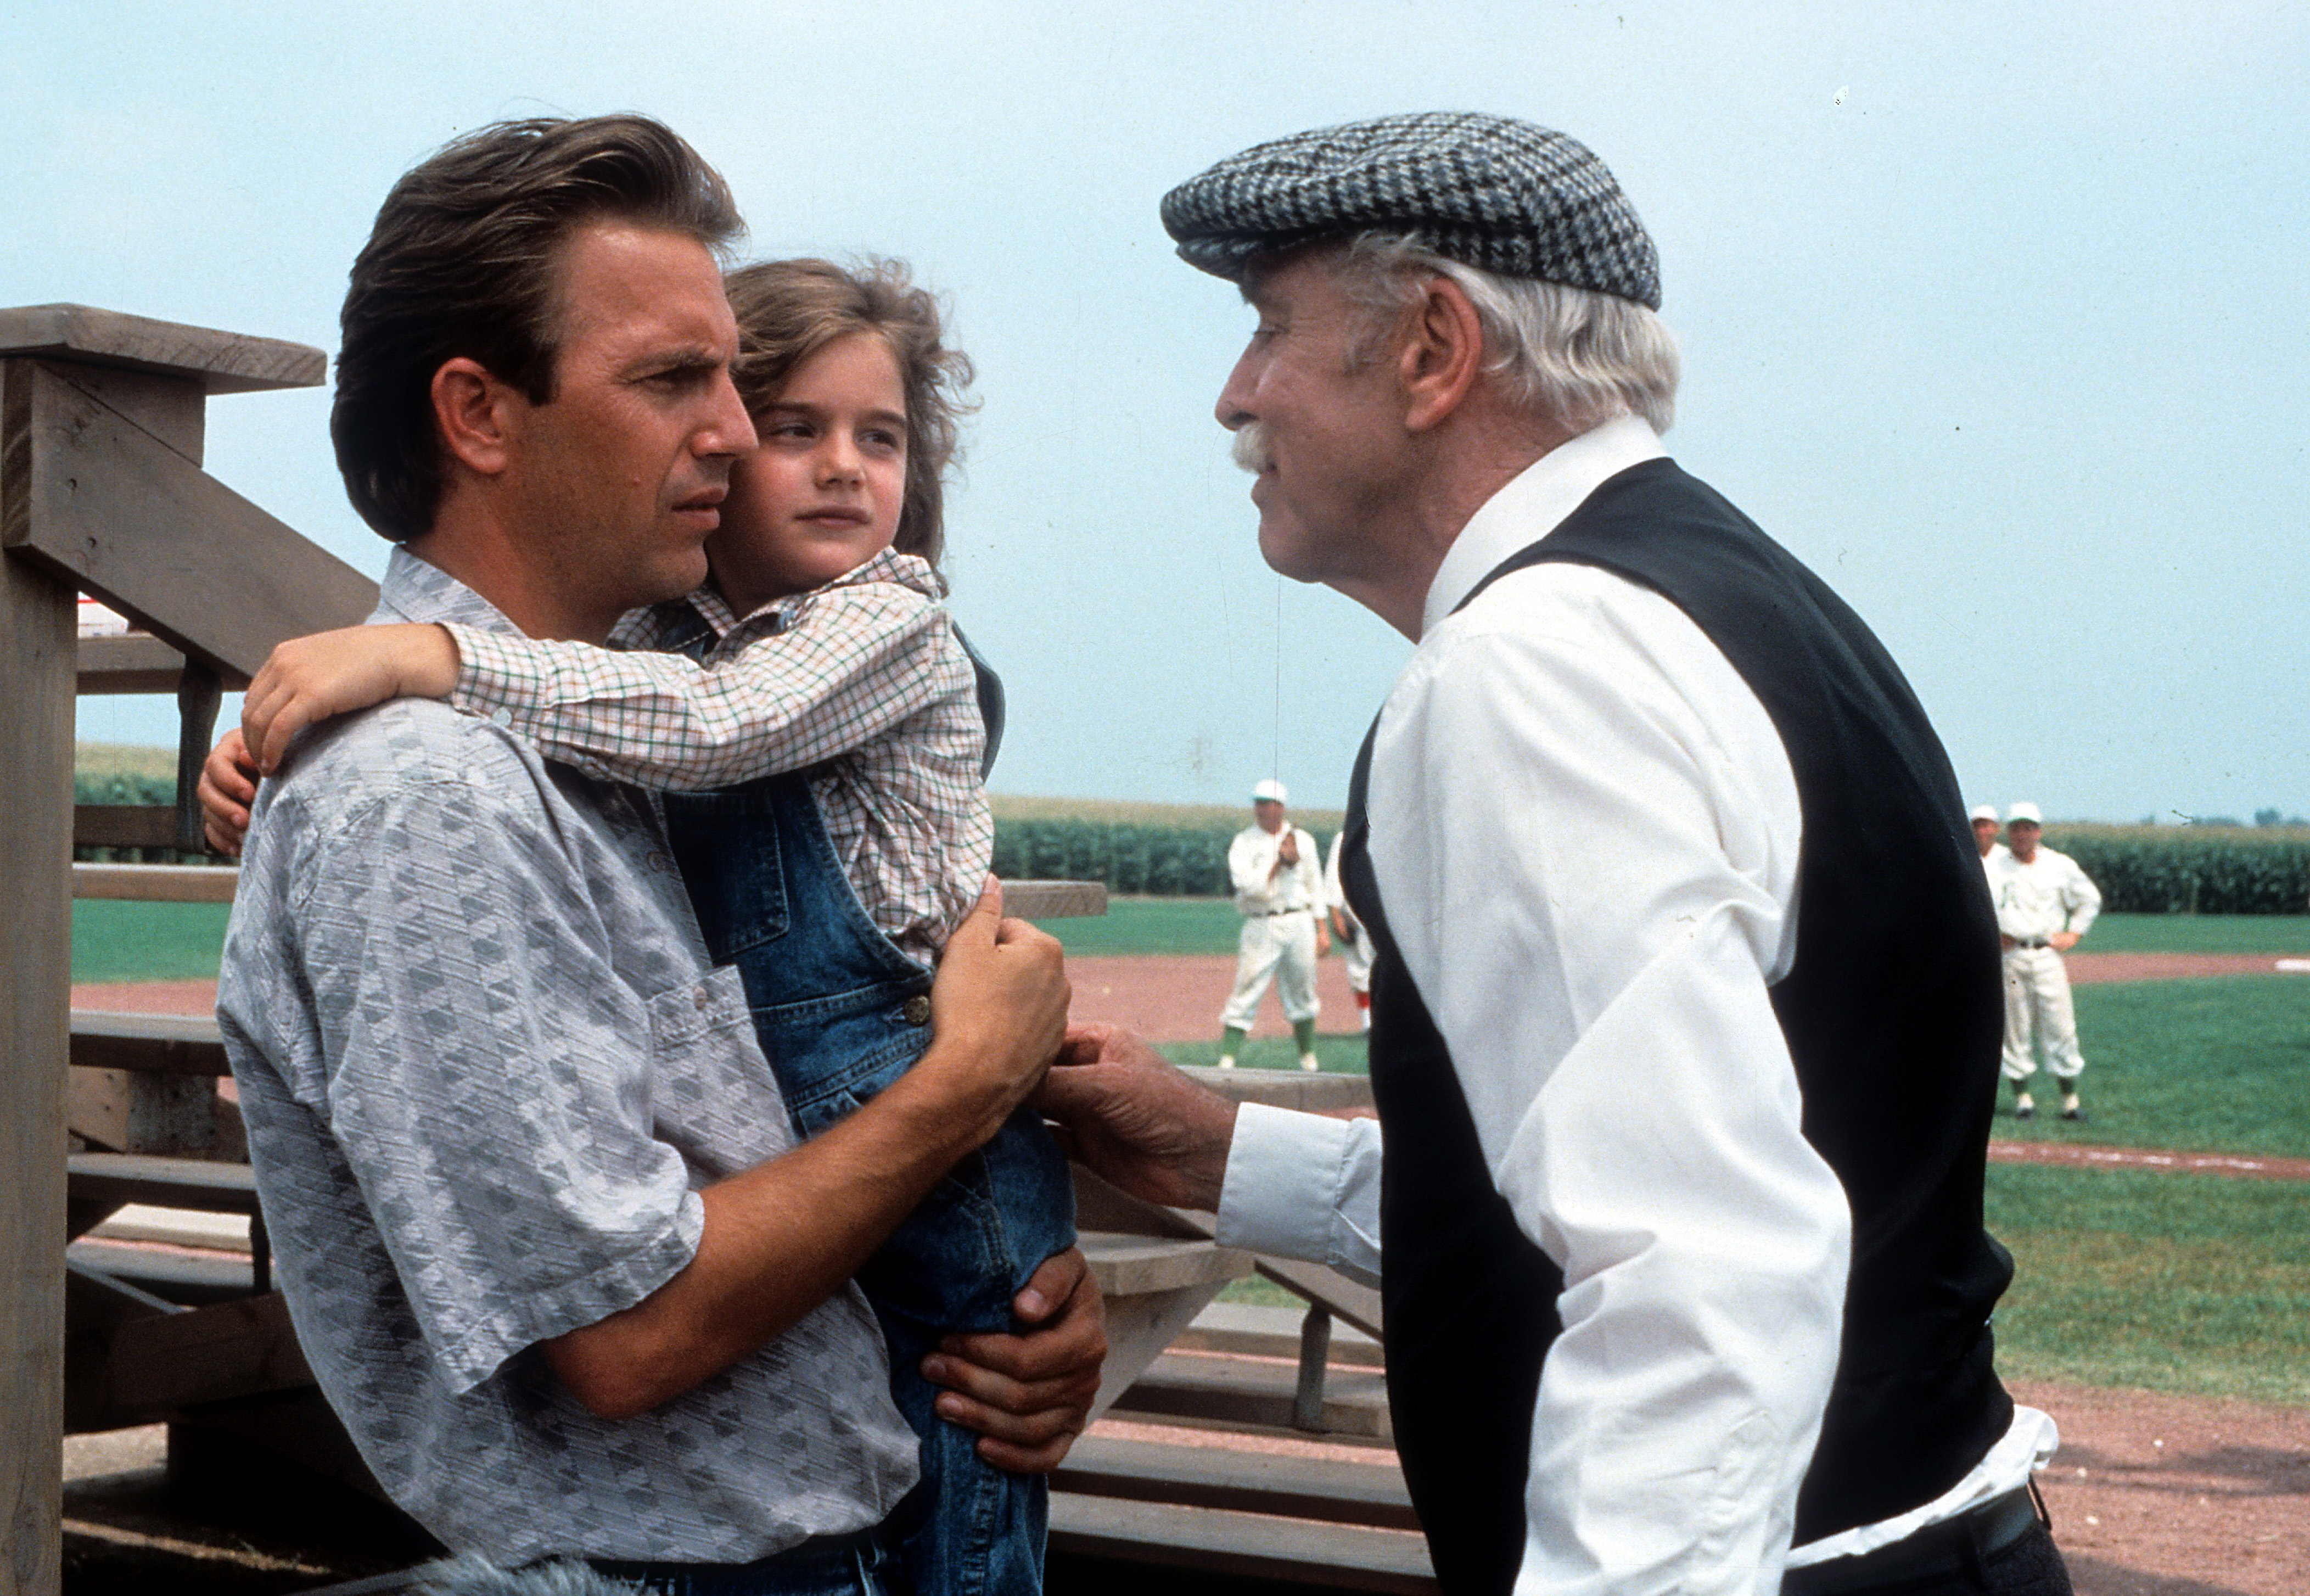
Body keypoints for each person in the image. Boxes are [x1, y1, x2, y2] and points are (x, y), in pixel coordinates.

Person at [1042, 112, 2068, 1595]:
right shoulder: (1721, 593)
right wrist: (1222, 1154)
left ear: (1434, 350)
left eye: (1269, 328)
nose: (1233, 395)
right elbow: (1624, 1166)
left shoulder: (1529, 667)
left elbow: (1692, 1286)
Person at [202, 116, 1101, 1592]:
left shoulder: (590, 715)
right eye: (678, 380)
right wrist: (960, 1094)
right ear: (481, 417)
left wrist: (1001, 1313)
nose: (741, 433)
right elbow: (630, 1334)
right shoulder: (429, 795)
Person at [1991, 803, 2102, 1122]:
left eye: (2028, 828)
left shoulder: (2059, 865)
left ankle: (2069, 1100)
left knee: (2060, 1026)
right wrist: (1993, 934)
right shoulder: (1994, 867)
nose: (2022, 834)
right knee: (2015, 1027)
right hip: (2011, 959)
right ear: (2008, 831)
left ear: (2038, 831)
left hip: (2047, 956)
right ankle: (2023, 1100)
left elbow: (2089, 899)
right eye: (2016, 828)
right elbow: (1977, 905)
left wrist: (2075, 933)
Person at [1216, 779, 1329, 1071]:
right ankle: (1227, 1060)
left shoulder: (1303, 840)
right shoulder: (1244, 842)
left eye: (1268, 803)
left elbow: (1315, 885)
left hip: (1298, 919)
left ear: (1281, 807)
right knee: (1247, 987)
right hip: (1261, 922)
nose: (1261, 809)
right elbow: (1247, 887)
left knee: (1303, 988)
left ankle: (1308, 1059)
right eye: (1258, 803)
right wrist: (1278, 865)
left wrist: (1323, 929)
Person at [1322, 828, 1373, 1032]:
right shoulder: (1346, 837)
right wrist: (1335, 914)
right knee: (1360, 972)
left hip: (1388, 915)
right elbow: (1334, 876)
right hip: (1356, 915)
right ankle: (1368, 1024)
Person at [1973, 802, 2009, 871]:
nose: (1981, 831)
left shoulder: (2007, 855)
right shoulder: (1965, 856)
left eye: (1985, 826)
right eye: (1977, 826)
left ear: (1997, 828)